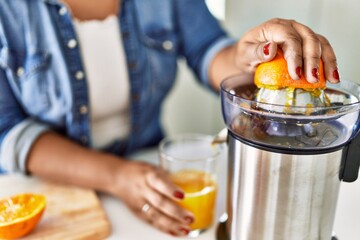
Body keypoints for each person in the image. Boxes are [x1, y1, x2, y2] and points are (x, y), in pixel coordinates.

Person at [0, 0, 340, 237]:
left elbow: (208, 49)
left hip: (153, 178)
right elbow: (7, 131)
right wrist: (118, 177)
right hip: (42, 196)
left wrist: (249, 56)